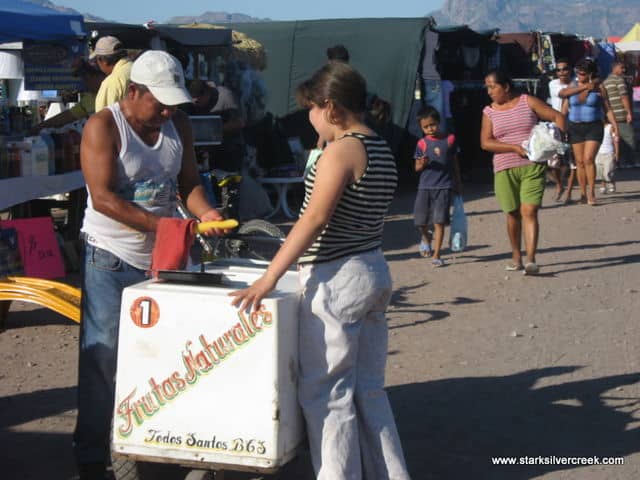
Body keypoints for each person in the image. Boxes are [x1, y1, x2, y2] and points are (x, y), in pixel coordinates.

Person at [229, 61, 411, 480]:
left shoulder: (342, 150)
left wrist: (269, 276)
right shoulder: (378, 145)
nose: (307, 117)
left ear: (328, 107)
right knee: (368, 391)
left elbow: (313, 219)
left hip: (338, 279)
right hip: (372, 269)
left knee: (327, 394)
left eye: (310, 108)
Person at [74, 50, 226, 480]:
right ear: (134, 91)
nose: (165, 110)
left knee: (171, 354)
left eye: (171, 103)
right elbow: (102, 197)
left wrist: (206, 213)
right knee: (104, 359)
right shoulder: (104, 126)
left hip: (166, 257)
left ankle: (162, 442)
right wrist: (164, 225)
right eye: (158, 101)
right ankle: (90, 456)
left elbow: (189, 183)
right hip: (111, 256)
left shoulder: (178, 124)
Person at [481, 69, 566, 275]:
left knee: (529, 211)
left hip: (532, 166)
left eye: (493, 86)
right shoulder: (489, 112)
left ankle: (531, 259)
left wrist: (557, 144)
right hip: (504, 168)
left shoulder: (527, 101)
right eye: (487, 88)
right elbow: (485, 143)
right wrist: (513, 148)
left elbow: (557, 116)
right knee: (512, 214)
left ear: (506, 86)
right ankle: (516, 256)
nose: (489, 91)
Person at [558, 58, 618, 206]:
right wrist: (585, 87)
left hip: (594, 126)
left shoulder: (599, 88)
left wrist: (615, 125)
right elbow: (563, 104)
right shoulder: (573, 86)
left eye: (583, 74)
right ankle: (583, 194)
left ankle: (591, 192)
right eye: (578, 73)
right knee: (579, 162)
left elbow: (607, 108)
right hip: (575, 127)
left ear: (590, 73)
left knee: (588, 159)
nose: (579, 76)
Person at [413, 105, 462, 266]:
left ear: (439, 122)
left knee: (439, 221)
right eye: (425, 127)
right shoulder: (422, 144)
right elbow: (416, 168)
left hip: (444, 186)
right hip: (425, 187)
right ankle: (426, 237)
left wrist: (458, 181)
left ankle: (437, 254)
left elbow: (455, 163)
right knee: (420, 221)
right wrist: (422, 163)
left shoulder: (449, 140)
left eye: (432, 125)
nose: (430, 129)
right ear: (421, 127)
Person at [188, 78, 246, 172]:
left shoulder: (226, 96)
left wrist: (215, 129)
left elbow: (240, 122)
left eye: (198, 101)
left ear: (206, 93)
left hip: (230, 153)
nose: (196, 105)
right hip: (211, 155)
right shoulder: (198, 105)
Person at [31, 60, 105, 132]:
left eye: (86, 78)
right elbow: (67, 116)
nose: (85, 83)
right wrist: (41, 126)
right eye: (83, 78)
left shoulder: (112, 89)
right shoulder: (88, 98)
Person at [546, 58, 577, 203]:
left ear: (570, 70)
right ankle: (559, 185)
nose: (562, 72)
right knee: (553, 161)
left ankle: (569, 191)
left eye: (564, 69)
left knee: (573, 161)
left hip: (575, 123)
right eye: (559, 70)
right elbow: (564, 93)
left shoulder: (577, 81)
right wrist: (583, 86)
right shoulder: (553, 84)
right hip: (556, 125)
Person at [603, 60, 635, 168]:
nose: (624, 70)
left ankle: (618, 162)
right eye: (622, 68)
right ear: (615, 68)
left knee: (616, 140)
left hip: (612, 116)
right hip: (621, 114)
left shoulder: (606, 81)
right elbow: (624, 97)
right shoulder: (619, 80)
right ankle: (630, 162)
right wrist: (629, 112)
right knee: (629, 138)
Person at [90, 36, 133, 111]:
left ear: (103, 61)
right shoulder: (136, 68)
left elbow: (103, 119)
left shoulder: (112, 82)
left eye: (96, 60)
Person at [595, 116, 619, 194]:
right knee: (600, 172)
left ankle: (611, 183)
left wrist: (616, 153)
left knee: (607, 171)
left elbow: (615, 141)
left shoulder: (610, 127)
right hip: (598, 153)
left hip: (609, 152)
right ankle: (603, 185)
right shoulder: (596, 128)